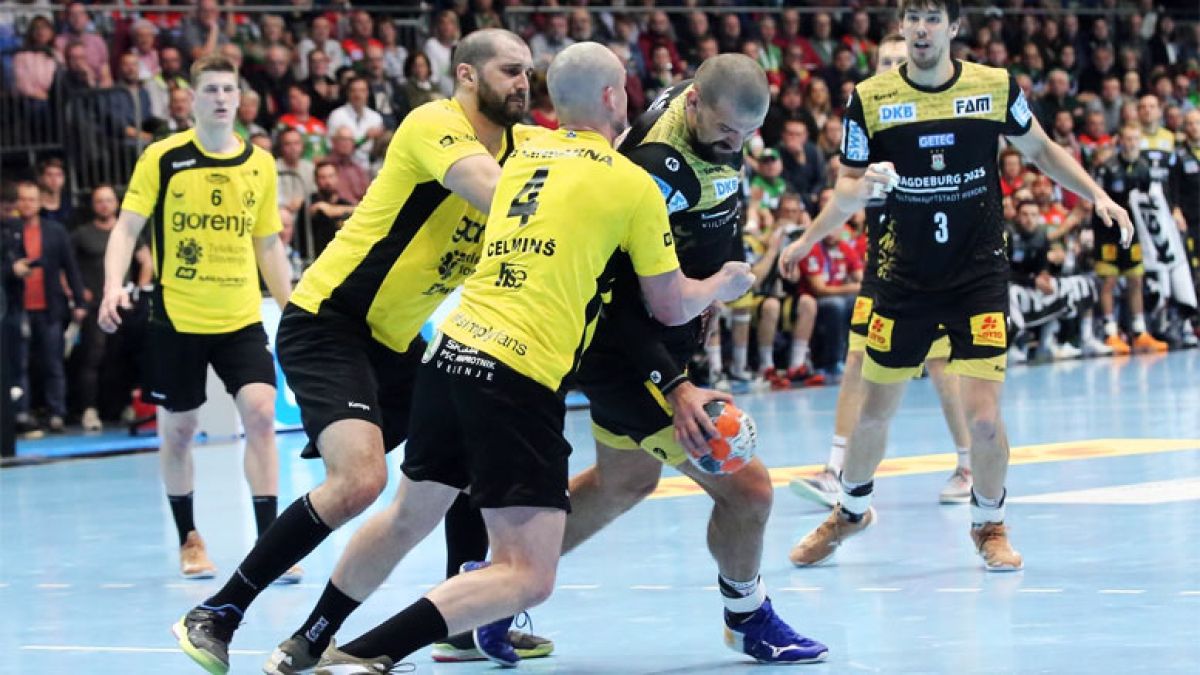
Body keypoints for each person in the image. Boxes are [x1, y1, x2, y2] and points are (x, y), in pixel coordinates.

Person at [301, 40, 755, 673]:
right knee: (527, 576)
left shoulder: (518, 155)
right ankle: (357, 657)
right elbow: (672, 303)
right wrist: (723, 283)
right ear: (612, 97)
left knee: (407, 516)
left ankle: (307, 640)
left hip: (451, 347)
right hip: (517, 372)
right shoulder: (633, 182)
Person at [168, 30, 550, 675]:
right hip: (329, 322)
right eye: (510, 70)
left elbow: (583, 162)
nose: (523, 82)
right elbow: (498, 195)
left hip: (396, 340)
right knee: (360, 481)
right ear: (465, 74)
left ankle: (458, 623)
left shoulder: (525, 145)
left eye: (529, 72)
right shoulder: (436, 124)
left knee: (466, 452)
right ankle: (217, 612)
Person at [784, 0, 1134, 572]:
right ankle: (850, 512)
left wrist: (1096, 195)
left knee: (985, 419)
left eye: (932, 19)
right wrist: (854, 194)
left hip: (977, 276)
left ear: (952, 27)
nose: (921, 29)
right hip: (903, 278)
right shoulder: (870, 98)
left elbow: (1041, 149)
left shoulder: (993, 87)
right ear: (901, 26)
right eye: (913, 18)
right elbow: (847, 185)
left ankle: (989, 524)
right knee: (872, 414)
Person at [563, 54, 827, 665]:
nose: (735, 144)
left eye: (746, 134)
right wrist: (675, 384)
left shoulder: (714, 109)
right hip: (629, 352)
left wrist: (716, 281)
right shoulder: (656, 169)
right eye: (727, 131)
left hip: (667, 332)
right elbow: (611, 294)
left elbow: (721, 198)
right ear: (691, 104)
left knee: (624, 481)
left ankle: (493, 587)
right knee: (749, 490)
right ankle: (747, 617)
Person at [97, 56, 294, 586]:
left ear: (240, 98)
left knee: (261, 414)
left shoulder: (260, 164)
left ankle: (271, 544)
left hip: (240, 317)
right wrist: (113, 285)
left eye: (229, 89)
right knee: (180, 431)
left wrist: (292, 309)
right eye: (211, 89)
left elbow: (268, 244)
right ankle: (190, 536)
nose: (221, 98)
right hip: (178, 319)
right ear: (190, 99)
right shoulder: (163, 158)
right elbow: (126, 229)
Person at [781, 33, 974, 507]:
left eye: (898, 59)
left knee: (942, 363)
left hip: (938, 264)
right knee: (857, 360)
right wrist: (807, 240)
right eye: (883, 60)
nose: (890, 67)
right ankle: (836, 469)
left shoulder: (939, 114)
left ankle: (970, 466)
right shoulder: (866, 119)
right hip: (885, 264)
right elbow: (845, 194)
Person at [5, 181, 86, 434]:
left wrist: (80, 301)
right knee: (18, 365)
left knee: (53, 363)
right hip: (17, 307)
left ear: (40, 203)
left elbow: (70, 267)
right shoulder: (7, 230)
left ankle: (56, 413)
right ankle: (21, 413)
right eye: (22, 199)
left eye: (32, 199)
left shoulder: (55, 231)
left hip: (50, 307)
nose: (26, 204)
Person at [72, 184, 153, 433]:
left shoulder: (127, 232)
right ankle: (89, 410)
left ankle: (127, 406)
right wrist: (76, 292)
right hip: (94, 305)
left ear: (116, 203)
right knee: (93, 356)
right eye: (99, 201)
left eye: (108, 200)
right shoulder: (82, 235)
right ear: (93, 205)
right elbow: (67, 265)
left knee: (123, 357)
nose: (104, 205)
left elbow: (147, 261)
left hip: (122, 305)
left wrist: (138, 289)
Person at [1091, 125, 1170, 354]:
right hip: (1108, 233)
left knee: (1136, 279)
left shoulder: (1145, 168)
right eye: (1127, 138)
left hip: (1135, 233)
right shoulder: (1107, 168)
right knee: (1109, 281)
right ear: (1120, 141)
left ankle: (1139, 331)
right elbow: (1095, 201)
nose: (1131, 143)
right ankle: (1110, 333)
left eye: (1135, 139)